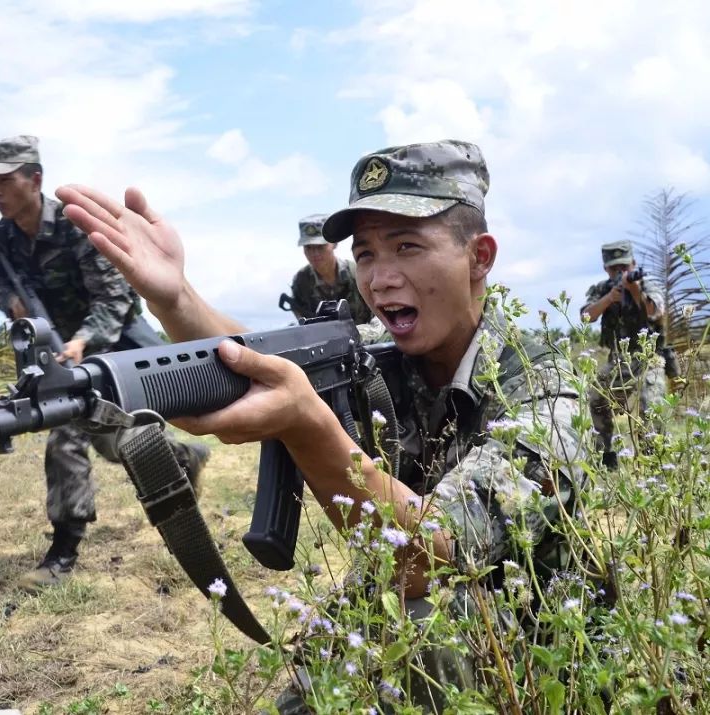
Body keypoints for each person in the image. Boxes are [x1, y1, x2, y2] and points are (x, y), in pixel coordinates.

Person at [56, 140, 586, 712]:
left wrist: (309, 426)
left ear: (479, 257)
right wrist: (176, 298)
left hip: (536, 650)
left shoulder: (546, 388)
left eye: (407, 247)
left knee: (422, 623)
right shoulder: (389, 356)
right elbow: (269, 359)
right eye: (366, 255)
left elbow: (424, 563)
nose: (380, 278)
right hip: (412, 613)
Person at [0, 134, 211, 591]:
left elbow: (115, 296)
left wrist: (83, 341)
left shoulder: (72, 224)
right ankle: (182, 459)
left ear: (35, 179)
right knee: (113, 442)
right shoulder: (1, 239)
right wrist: (13, 305)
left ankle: (63, 551)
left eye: (5, 179)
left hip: (110, 340)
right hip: (60, 348)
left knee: (67, 434)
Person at [579, 240, 667, 469]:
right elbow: (586, 316)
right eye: (613, 268)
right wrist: (610, 298)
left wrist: (635, 292)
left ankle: (654, 461)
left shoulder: (647, 285)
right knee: (596, 395)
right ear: (606, 268)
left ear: (633, 264)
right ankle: (606, 457)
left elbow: (656, 312)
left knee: (652, 406)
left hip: (649, 357)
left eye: (624, 267)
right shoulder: (602, 289)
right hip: (618, 360)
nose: (619, 272)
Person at [286, 214, 385, 342]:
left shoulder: (356, 273)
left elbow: (382, 317)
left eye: (320, 247)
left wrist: (358, 335)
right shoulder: (302, 282)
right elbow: (306, 328)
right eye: (308, 247)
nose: (314, 253)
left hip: (371, 344)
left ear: (334, 244)